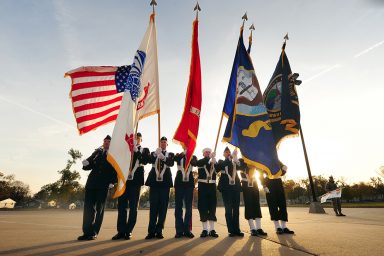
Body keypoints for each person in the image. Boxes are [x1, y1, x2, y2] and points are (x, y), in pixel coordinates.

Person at [78, 135, 117, 241]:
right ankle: (86, 232)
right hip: (91, 183)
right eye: (105, 141)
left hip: (103, 185)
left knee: (99, 209)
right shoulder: (97, 152)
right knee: (88, 209)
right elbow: (89, 166)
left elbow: (116, 169)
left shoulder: (114, 155)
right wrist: (85, 164)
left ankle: (94, 232)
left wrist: (113, 182)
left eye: (108, 141)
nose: (106, 143)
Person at [112, 132, 150, 240]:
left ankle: (128, 231)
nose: (136, 139)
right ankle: (121, 231)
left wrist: (136, 151)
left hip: (135, 181)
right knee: (122, 206)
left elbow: (145, 160)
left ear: (141, 140)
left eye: (138, 138)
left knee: (133, 207)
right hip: (124, 180)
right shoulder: (126, 149)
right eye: (134, 138)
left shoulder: (144, 150)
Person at [144, 136, 174, 239]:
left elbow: (171, 163)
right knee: (153, 208)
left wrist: (164, 157)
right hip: (154, 183)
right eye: (161, 142)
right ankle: (151, 231)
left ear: (167, 144)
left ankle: (159, 230)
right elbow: (148, 160)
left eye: (165, 142)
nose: (163, 143)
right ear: (159, 143)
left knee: (163, 208)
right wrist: (156, 154)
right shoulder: (154, 152)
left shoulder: (170, 154)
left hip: (165, 184)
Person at [215, 147, 244, 237]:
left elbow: (242, 167)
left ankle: (237, 229)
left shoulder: (235, 161)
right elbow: (218, 168)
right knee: (228, 210)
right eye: (226, 152)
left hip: (235, 187)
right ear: (224, 154)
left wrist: (235, 158)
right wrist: (229, 158)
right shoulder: (222, 162)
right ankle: (231, 230)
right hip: (226, 188)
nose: (228, 153)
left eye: (229, 152)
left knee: (236, 209)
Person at [262, 163, 294, 235]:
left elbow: (282, 171)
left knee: (282, 204)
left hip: (278, 181)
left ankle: (284, 227)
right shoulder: (264, 159)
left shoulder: (276, 159)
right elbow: (260, 174)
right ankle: (277, 227)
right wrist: (264, 185)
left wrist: (284, 169)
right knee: (273, 205)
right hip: (269, 182)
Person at [239, 160, 267, 236]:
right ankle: (252, 228)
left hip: (254, 184)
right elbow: (239, 167)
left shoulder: (254, 160)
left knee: (256, 205)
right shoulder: (241, 161)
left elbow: (260, 173)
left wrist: (264, 185)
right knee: (249, 205)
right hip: (246, 184)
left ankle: (259, 228)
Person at [173, 151, 197, 238]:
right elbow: (175, 159)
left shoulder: (193, 156)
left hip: (189, 184)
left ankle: (187, 230)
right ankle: (179, 230)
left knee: (189, 208)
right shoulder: (179, 155)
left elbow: (195, 163)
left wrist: (189, 156)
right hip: (179, 183)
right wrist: (182, 154)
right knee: (178, 207)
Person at [197, 148, 219, 238]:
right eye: (206, 152)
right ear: (203, 154)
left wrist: (215, 161)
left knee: (212, 207)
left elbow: (218, 170)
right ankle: (205, 229)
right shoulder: (201, 161)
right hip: (202, 186)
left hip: (212, 187)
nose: (208, 153)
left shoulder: (213, 162)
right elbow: (200, 163)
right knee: (203, 207)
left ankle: (212, 229)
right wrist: (209, 158)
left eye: (209, 152)